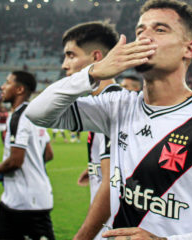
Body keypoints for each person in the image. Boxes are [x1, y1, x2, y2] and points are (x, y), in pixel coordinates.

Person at [26, 0, 192, 239]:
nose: (144, 37)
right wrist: (92, 72)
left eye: (160, 29)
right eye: (139, 31)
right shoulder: (117, 105)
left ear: (189, 49)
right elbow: (38, 113)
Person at [61, 21, 122, 240]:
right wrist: (95, 168)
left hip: (110, 230)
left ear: (96, 57)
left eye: (71, 55)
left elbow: (110, 185)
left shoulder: (111, 105)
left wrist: (82, 237)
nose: (64, 65)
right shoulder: (104, 102)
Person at [0, 71, 55, 240]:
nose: (2, 86)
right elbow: (48, 154)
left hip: (27, 204)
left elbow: (15, 161)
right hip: (16, 200)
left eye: (7, 83)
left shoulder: (19, 116)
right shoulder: (35, 114)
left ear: (19, 89)